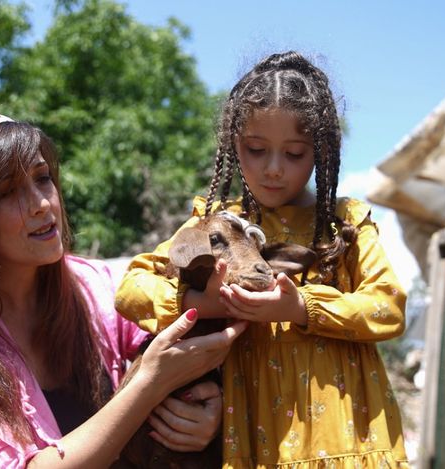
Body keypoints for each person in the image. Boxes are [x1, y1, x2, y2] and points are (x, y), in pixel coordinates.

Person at [0, 114, 247, 468]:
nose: (41, 204)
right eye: (7, 191)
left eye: (42, 178)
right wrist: (149, 385)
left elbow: (163, 334)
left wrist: (206, 409)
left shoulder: (93, 285)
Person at [115, 51, 409, 468]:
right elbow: (131, 287)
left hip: (349, 438)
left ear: (321, 152)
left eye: (294, 154)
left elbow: (389, 306)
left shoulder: (344, 224)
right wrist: (201, 303)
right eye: (256, 149)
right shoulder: (218, 224)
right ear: (236, 143)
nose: (274, 169)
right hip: (253, 441)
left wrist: (302, 307)